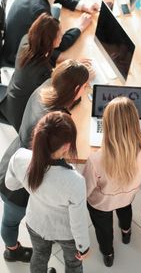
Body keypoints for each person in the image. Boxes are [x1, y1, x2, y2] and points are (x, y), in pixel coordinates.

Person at [0, 59, 89, 262]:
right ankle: (11, 250)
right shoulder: (55, 125)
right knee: (11, 220)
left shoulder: (45, 87)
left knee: (10, 218)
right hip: (21, 180)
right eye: (85, 86)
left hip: (13, 160)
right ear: (76, 89)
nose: (85, 90)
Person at [5, 111, 90, 273]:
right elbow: (78, 222)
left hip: (36, 224)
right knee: (73, 264)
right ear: (66, 146)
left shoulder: (20, 157)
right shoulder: (75, 181)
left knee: (39, 255)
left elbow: (11, 185)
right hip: (66, 233)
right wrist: (83, 247)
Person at [82, 97, 141, 267]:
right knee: (125, 211)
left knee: (104, 229)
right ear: (135, 123)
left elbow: (86, 189)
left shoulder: (96, 159)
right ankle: (126, 232)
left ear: (107, 125)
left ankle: (108, 253)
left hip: (102, 203)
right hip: (127, 197)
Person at [1, 0, 99, 66]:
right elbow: (58, 44)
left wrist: (84, 6)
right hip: (19, 56)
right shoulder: (39, 12)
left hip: (24, 37)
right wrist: (80, 26)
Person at [0, 13, 62, 132]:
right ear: (50, 40)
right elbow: (57, 97)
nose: (62, 37)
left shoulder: (26, 41)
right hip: (21, 115)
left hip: (11, 99)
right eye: (59, 35)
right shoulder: (42, 71)